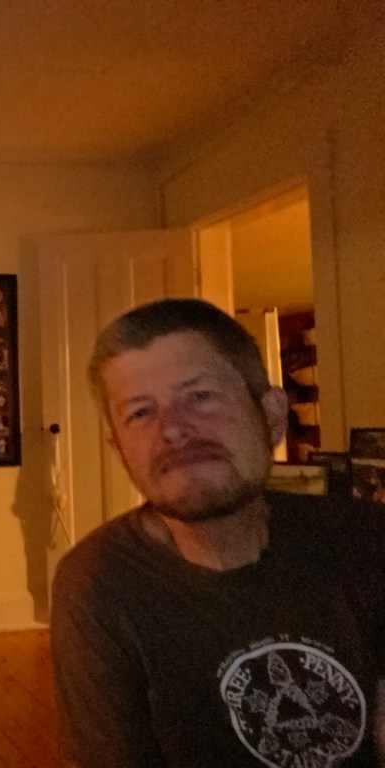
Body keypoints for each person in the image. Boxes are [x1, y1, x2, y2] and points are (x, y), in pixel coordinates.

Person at [50, 298, 385, 767]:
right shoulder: (98, 588)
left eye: (200, 396)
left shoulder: (364, 537)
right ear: (120, 450)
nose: (172, 430)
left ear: (272, 416)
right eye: (141, 413)